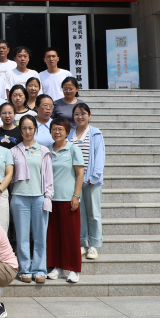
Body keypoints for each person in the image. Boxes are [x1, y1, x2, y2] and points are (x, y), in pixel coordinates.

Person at [9, 115, 54, 283]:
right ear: (20, 130)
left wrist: (48, 197)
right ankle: (25, 269)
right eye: (24, 128)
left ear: (35, 129)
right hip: (19, 197)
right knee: (22, 236)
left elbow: (48, 177)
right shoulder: (14, 151)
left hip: (39, 197)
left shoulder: (43, 150)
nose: (28, 131)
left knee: (40, 236)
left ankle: (40, 269)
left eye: (30, 128)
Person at [46, 117, 85, 283]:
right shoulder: (47, 150)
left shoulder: (73, 149)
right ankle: (55, 266)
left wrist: (76, 195)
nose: (57, 132)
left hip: (68, 199)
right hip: (50, 199)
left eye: (60, 129)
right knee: (53, 235)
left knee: (71, 236)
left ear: (67, 132)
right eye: (54, 129)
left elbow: (80, 173)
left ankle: (73, 269)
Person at [70, 103, 105, 260]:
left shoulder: (95, 133)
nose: (80, 117)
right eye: (77, 114)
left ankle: (94, 245)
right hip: (75, 180)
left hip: (91, 180)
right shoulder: (70, 134)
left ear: (89, 116)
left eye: (83, 113)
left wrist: (95, 176)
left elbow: (99, 156)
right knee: (80, 213)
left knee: (94, 213)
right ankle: (83, 243)